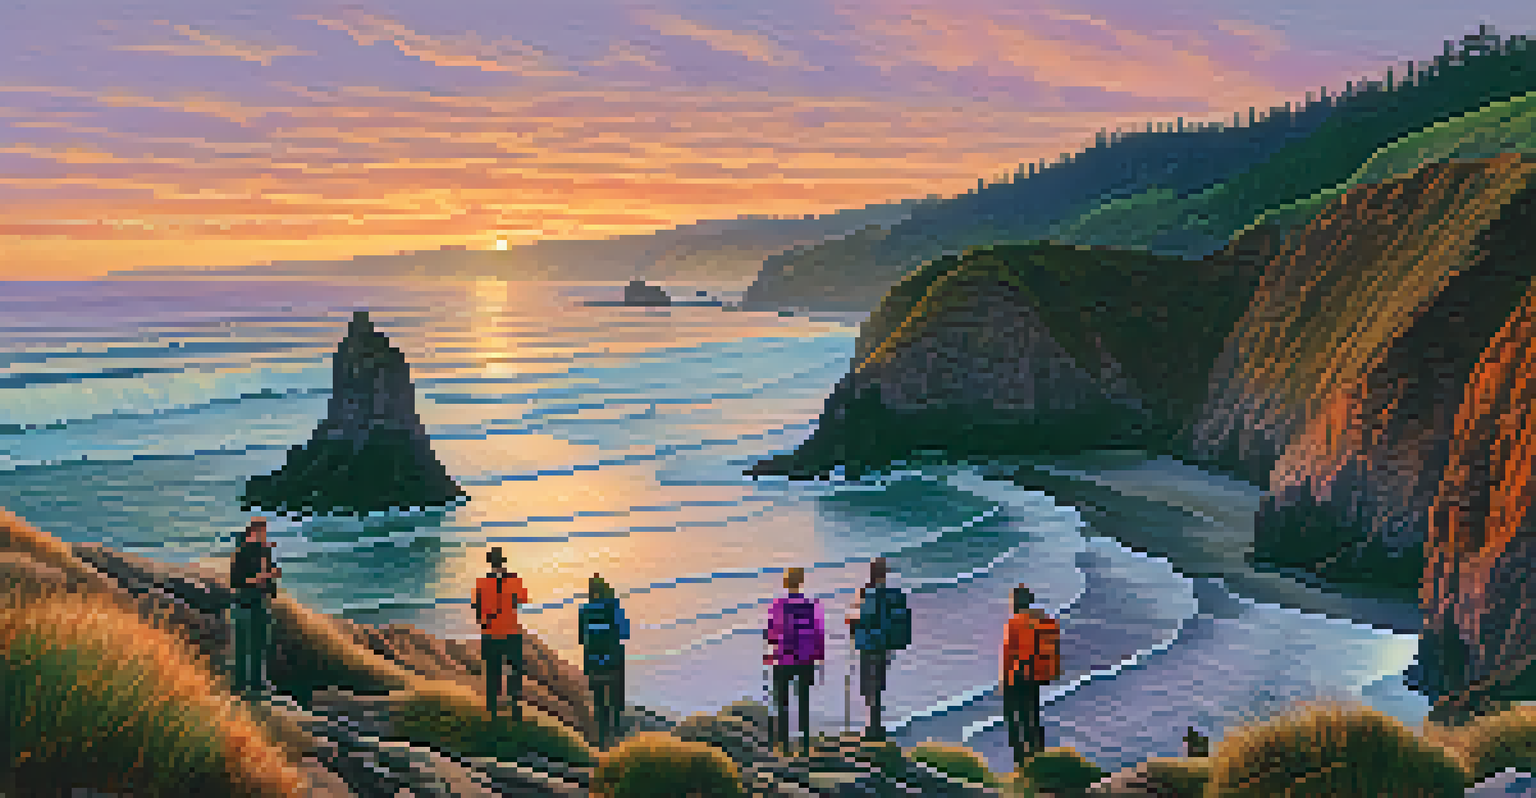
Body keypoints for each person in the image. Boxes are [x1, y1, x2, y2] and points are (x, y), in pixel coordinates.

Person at [846, 557, 911, 742]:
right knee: (878, 685)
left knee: (869, 685)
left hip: (868, 644)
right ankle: (877, 726)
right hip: (885, 644)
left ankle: (872, 728)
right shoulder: (893, 594)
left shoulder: (868, 593)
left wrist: (852, 623)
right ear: (885, 574)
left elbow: (865, 618)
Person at [765, 566, 825, 757]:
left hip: (783, 658)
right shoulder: (811, 605)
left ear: (785, 583)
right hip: (805, 659)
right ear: (801, 582)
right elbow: (818, 633)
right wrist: (818, 657)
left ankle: (783, 746)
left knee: (782, 703)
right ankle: (805, 744)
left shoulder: (778, 605)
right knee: (803, 702)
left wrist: (771, 653)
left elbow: (771, 633)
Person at [1002, 584, 1061, 767]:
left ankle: (1021, 762)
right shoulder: (1045, 620)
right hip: (1036, 676)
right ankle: (1037, 757)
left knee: (1014, 719)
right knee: (1032, 718)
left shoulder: (1018, 622)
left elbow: (1017, 653)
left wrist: (1008, 680)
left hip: (1019, 676)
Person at [473, 547, 529, 721]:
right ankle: (514, 707)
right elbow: (523, 599)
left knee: (492, 672)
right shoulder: (514, 580)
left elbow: (476, 607)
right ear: (503, 562)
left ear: (490, 564)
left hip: (490, 633)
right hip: (511, 632)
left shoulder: (482, 582)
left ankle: (492, 709)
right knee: (514, 671)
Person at [229, 517, 281, 698]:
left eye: (264, 532)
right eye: (260, 533)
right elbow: (235, 581)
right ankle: (240, 685)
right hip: (244, 602)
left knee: (259, 644)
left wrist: (271, 578)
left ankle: (258, 683)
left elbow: (270, 576)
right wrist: (259, 579)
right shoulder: (240, 553)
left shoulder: (265, 552)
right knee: (243, 645)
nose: (263, 536)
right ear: (251, 534)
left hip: (260, 601)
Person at [579, 573, 630, 750]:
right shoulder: (613, 608)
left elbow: (581, 638)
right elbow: (625, 632)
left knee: (599, 703)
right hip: (613, 662)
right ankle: (616, 740)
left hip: (592, 662)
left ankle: (602, 742)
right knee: (616, 702)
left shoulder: (584, 610)